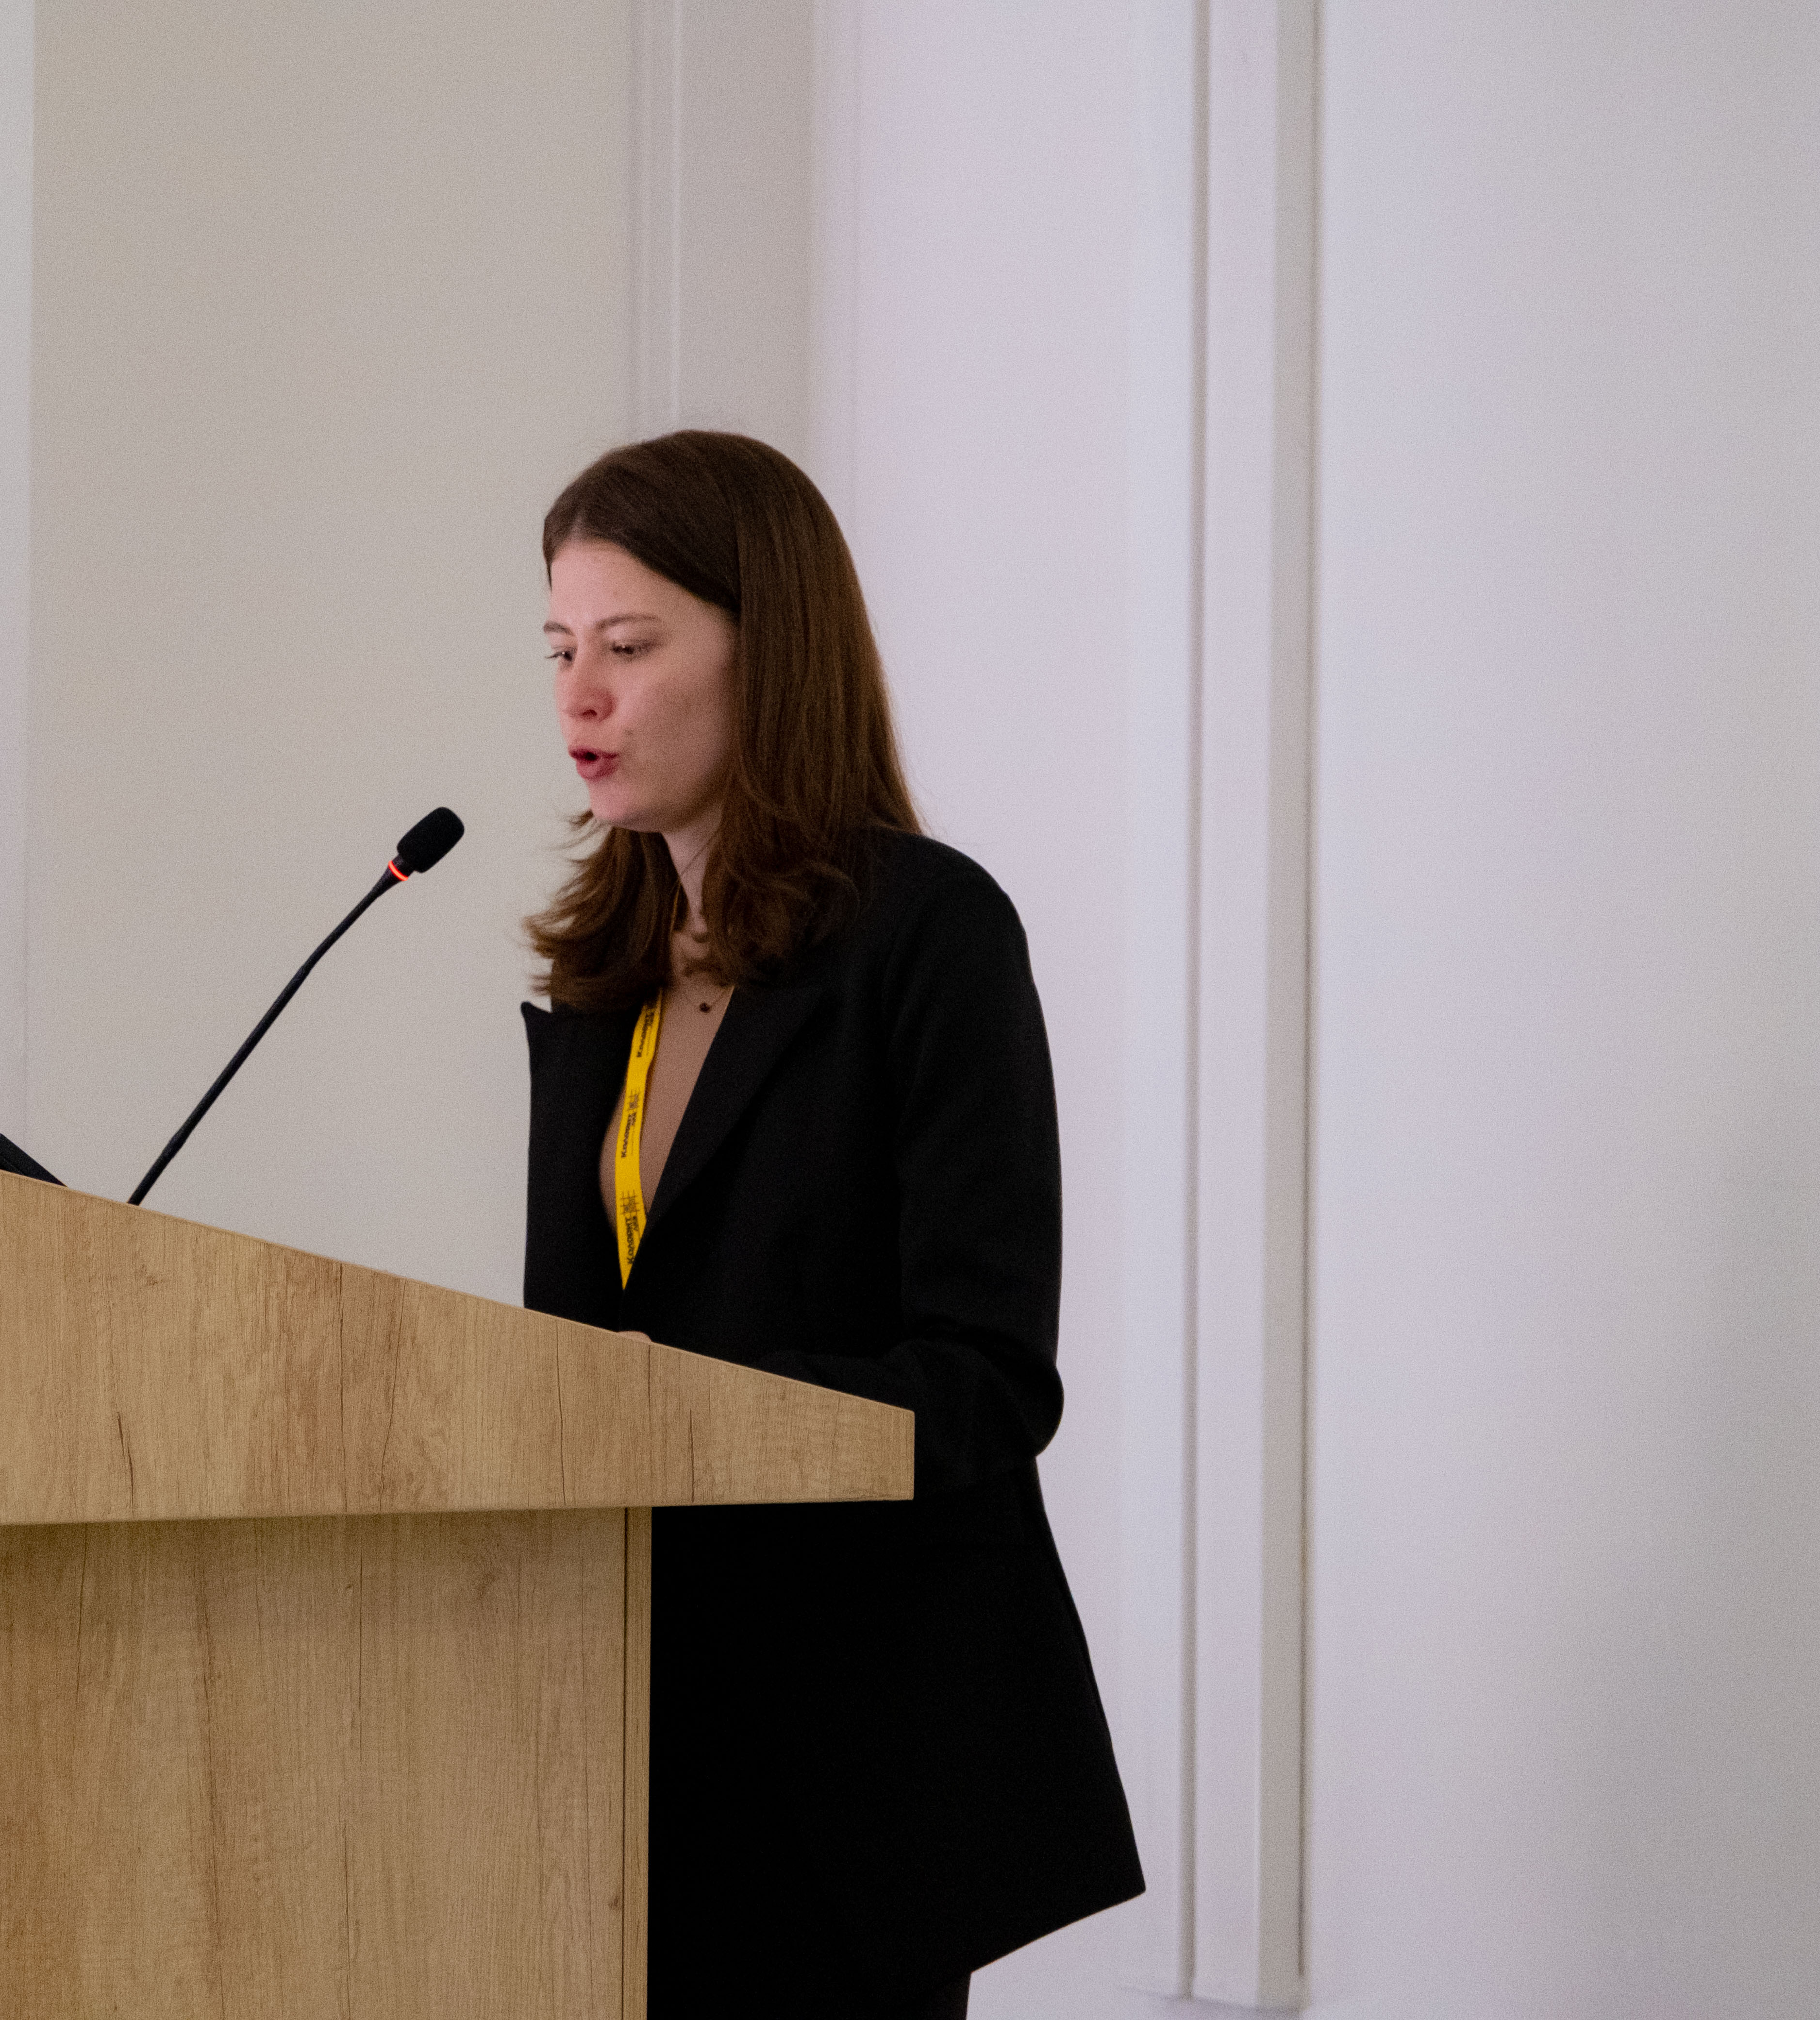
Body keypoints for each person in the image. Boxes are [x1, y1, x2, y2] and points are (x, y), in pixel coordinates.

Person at [521, 432, 1143, 2019]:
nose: (580, 697)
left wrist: (689, 1417)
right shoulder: (603, 985)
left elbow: (986, 1378)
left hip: (852, 1751)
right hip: (622, 1733)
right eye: (560, 648)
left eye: (629, 647)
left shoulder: (932, 935)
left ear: (771, 649)